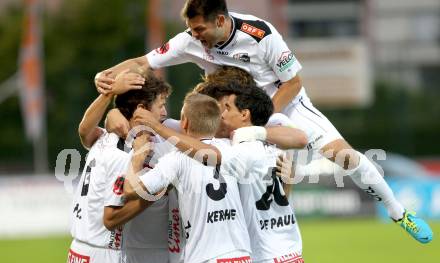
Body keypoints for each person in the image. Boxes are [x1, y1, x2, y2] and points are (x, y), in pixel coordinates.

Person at [94, 0, 432, 244]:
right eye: (191, 30)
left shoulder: (261, 35)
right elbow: (142, 62)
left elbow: (294, 83)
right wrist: (107, 76)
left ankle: (398, 212)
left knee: (346, 158)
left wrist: (260, 121)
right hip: (232, 115)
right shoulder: (189, 39)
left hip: (284, 106)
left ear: (221, 21)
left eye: (200, 30)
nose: (195, 37)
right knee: (198, 154)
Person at [134, 82, 321, 263]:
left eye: (226, 108)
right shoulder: (267, 147)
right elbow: (285, 174)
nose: (220, 114)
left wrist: (155, 127)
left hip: (261, 261)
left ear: (244, 115)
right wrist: (288, 181)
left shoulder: (238, 149)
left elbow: (209, 154)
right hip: (288, 257)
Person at [124, 92, 256, 263]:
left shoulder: (177, 159)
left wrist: (137, 158)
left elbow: (133, 190)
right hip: (242, 262)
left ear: (184, 122)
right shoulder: (230, 149)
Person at [77, 70, 183, 263]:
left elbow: (84, 131)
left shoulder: (107, 139)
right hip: (113, 256)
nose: (165, 112)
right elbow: (111, 219)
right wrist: (155, 193)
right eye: (160, 105)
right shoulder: (119, 153)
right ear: (140, 109)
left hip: (83, 255)